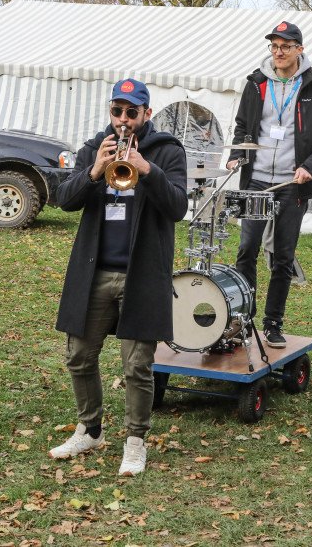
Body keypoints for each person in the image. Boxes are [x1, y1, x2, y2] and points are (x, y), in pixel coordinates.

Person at [48, 78, 187, 476]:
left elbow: (178, 206)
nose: (123, 120)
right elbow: (64, 201)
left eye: (132, 112)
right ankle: (90, 429)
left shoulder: (167, 151)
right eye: (117, 111)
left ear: (146, 113)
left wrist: (147, 169)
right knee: (78, 356)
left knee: (136, 366)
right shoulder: (95, 147)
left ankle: (135, 442)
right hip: (94, 272)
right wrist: (94, 170)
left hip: (141, 273)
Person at [226, 21, 312, 348]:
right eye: (274, 47)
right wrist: (237, 154)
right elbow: (241, 126)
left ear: (299, 50)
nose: (278, 52)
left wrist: (310, 165)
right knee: (246, 250)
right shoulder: (256, 82)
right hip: (257, 181)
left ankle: (273, 323)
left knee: (282, 256)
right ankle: (244, 320)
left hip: (293, 185)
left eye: (285, 46)